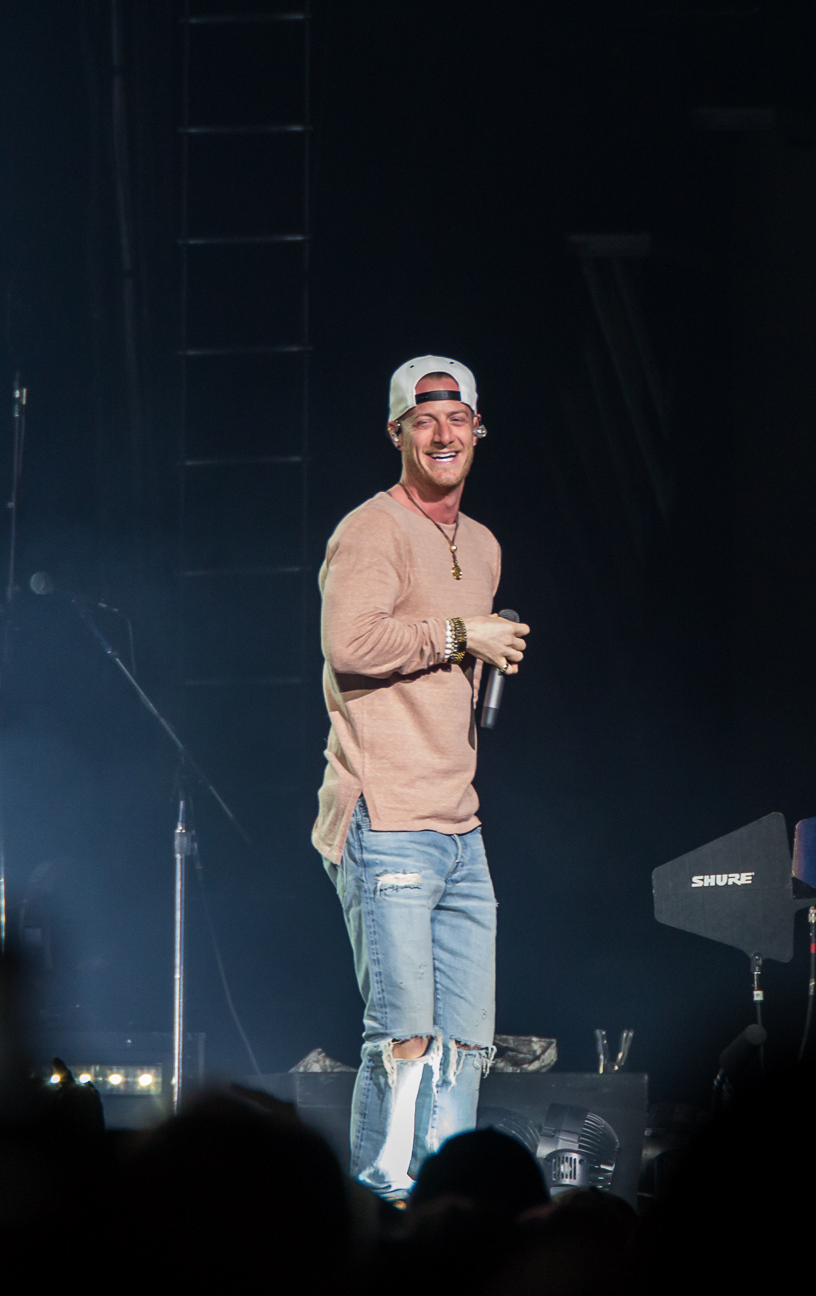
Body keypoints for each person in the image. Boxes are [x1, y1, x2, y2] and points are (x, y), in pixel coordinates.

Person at [313, 355, 530, 1199]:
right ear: (397, 433)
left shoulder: (483, 544)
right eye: (425, 419)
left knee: (466, 1045)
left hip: (459, 825)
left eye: (458, 417)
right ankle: (383, 1213)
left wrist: (482, 644)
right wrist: (462, 636)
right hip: (387, 815)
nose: (444, 434)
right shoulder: (371, 530)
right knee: (404, 1038)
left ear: (479, 429)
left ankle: (451, 1215)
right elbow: (350, 645)